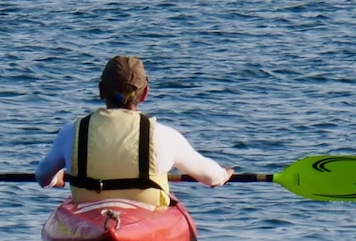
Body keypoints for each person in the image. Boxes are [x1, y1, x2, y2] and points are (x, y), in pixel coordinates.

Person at [36, 55, 230, 208]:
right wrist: (224, 175)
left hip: (90, 214)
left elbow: (42, 177)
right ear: (145, 93)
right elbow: (210, 178)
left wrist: (56, 179)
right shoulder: (164, 135)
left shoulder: (72, 132)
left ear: (101, 90)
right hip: (145, 216)